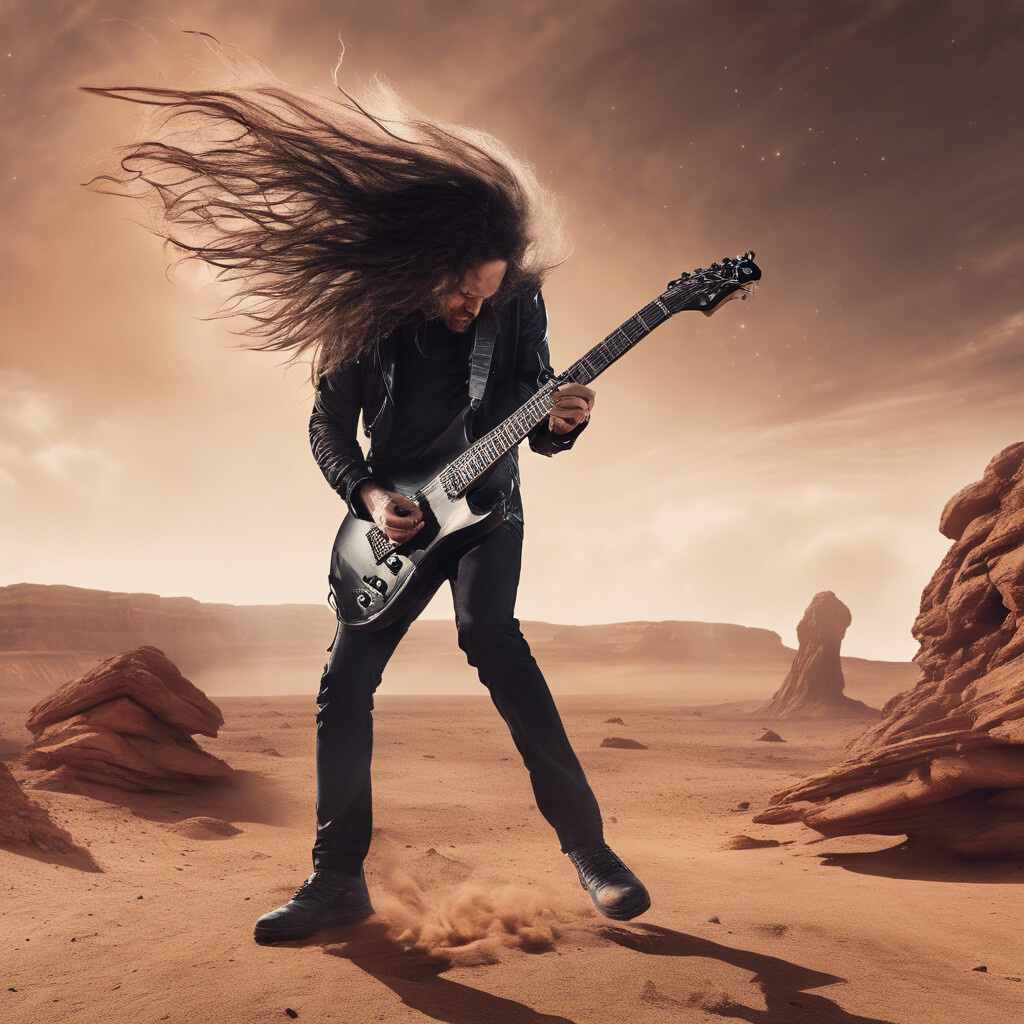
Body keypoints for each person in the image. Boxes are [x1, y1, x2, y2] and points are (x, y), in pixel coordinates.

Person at [84, 75, 650, 942]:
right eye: (461, 292)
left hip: (490, 508)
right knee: (343, 685)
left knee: (496, 645)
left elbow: (537, 412)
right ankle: (334, 879)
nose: (472, 309)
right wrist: (372, 495)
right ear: (421, 266)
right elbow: (326, 426)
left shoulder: (515, 300)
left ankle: (594, 856)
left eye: (486, 295)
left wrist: (564, 421)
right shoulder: (365, 314)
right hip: (397, 519)